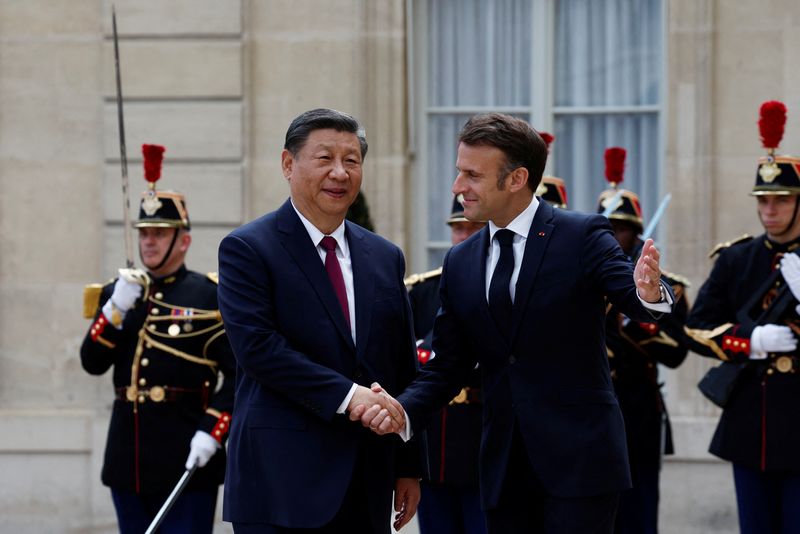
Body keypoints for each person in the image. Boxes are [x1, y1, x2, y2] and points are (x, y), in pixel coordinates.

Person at [356, 112, 674, 534]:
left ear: (516, 178)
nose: (457, 187)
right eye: (458, 172)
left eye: (472, 175)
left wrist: (649, 292)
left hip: (579, 464)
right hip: (503, 468)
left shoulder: (580, 235)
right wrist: (402, 410)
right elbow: (448, 365)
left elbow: (632, 296)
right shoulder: (460, 261)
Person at [217, 108, 421, 533]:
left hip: (367, 480)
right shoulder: (248, 249)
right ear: (288, 165)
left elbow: (401, 363)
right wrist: (351, 397)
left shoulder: (384, 257)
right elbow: (259, 350)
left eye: (351, 160)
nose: (340, 173)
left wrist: (409, 465)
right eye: (325, 158)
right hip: (281, 483)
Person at [80, 144, 235, 534]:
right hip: (127, 461)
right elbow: (92, 362)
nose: (149, 241)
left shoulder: (209, 296)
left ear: (183, 240)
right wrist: (114, 309)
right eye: (144, 233)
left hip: (187, 457)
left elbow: (239, 374)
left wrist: (213, 430)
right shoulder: (121, 293)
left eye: (160, 233)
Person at [685, 100, 800, 534]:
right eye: (764, 199)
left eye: (782, 200)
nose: (770, 209)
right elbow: (695, 327)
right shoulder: (737, 260)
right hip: (751, 425)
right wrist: (751, 341)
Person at [596, 147, 691, 534]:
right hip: (588, 413)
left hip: (637, 413)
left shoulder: (668, 288)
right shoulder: (582, 281)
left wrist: (635, 317)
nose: (615, 238)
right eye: (607, 229)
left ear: (637, 232)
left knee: (638, 512)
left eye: (621, 229)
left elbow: (676, 352)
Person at [405, 195, 487, 534]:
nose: (463, 236)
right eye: (457, 229)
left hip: (484, 432)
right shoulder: (423, 290)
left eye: (472, 228)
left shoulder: (499, 283)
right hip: (437, 437)